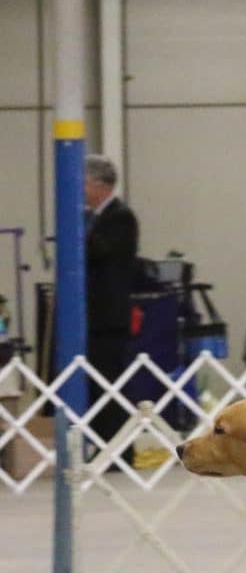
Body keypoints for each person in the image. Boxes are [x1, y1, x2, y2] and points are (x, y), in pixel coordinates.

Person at [84, 154, 140, 464]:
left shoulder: (121, 217)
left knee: (112, 384)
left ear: (100, 185)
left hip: (110, 317)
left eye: (85, 184)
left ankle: (121, 450)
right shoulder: (94, 218)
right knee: (97, 385)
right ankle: (103, 444)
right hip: (94, 317)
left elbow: (102, 252)